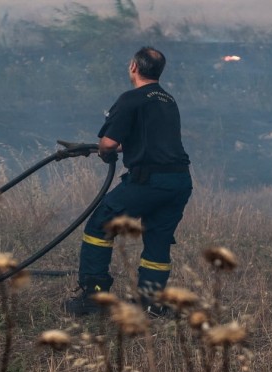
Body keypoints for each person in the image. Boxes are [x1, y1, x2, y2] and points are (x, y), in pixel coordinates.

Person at [65, 46, 192, 317]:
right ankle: (151, 304)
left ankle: (94, 299)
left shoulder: (131, 99)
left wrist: (103, 150)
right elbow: (148, 143)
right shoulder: (168, 100)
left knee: (100, 227)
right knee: (158, 238)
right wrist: (91, 147)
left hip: (149, 181)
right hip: (179, 182)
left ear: (134, 67)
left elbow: (109, 143)